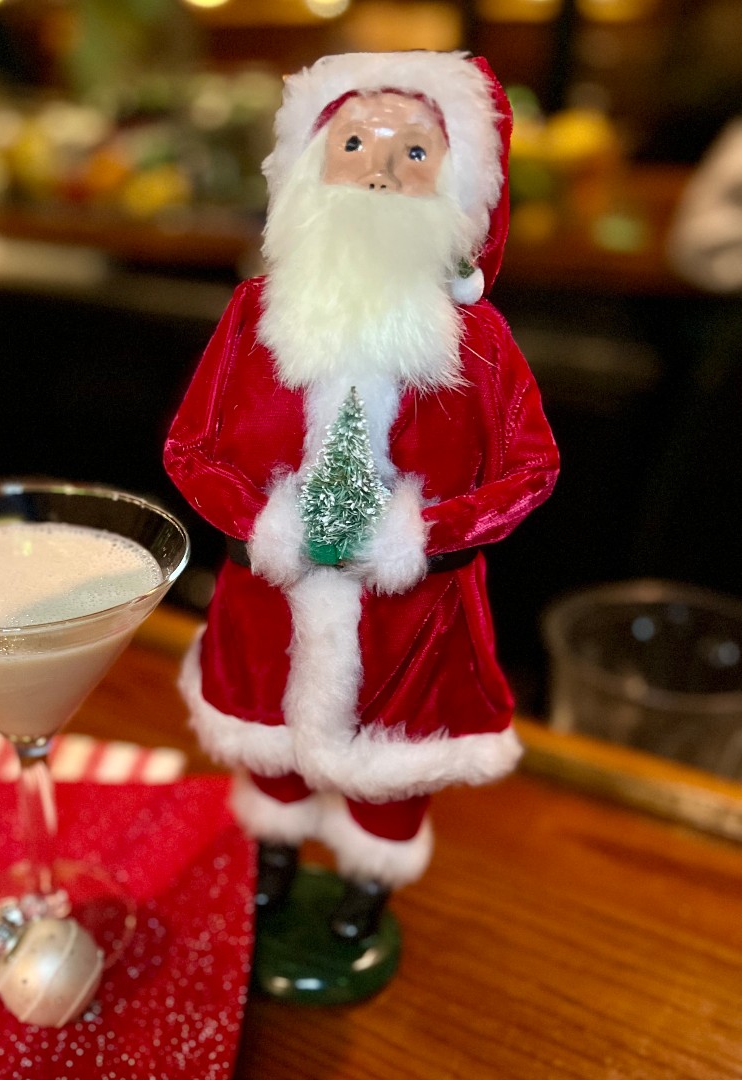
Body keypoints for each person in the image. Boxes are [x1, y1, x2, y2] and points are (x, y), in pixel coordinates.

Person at [164, 51, 559, 949]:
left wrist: (421, 533)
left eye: (413, 152)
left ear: (459, 190)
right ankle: (274, 850)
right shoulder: (251, 315)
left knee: (393, 769)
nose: (378, 170)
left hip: (414, 620)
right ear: (309, 168)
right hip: (267, 602)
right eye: (353, 143)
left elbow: (533, 469)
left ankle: (369, 878)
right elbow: (189, 447)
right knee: (268, 743)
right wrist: (261, 520)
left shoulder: (482, 344)